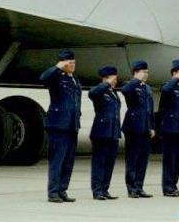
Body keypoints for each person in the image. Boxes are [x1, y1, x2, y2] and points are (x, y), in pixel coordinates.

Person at [40, 49, 82, 203]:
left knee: (68, 160)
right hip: (58, 124)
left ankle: (62, 190)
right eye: (69, 63)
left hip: (72, 124)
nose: (72, 65)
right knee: (57, 159)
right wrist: (57, 67)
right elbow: (43, 78)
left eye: (73, 63)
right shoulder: (56, 76)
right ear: (63, 63)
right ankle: (53, 192)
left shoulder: (74, 79)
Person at [122, 60, 155, 198]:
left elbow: (150, 110)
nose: (146, 74)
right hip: (133, 126)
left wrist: (152, 126)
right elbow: (125, 90)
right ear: (136, 72)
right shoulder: (131, 85)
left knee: (143, 158)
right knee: (133, 158)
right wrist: (137, 80)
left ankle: (139, 186)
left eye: (147, 72)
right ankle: (131, 187)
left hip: (145, 127)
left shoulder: (147, 88)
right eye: (143, 72)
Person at [88, 66, 121, 201]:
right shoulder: (100, 91)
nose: (115, 81)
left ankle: (105, 189)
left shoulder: (113, 93)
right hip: (101, 132)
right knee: (99, 162)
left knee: (109, 162)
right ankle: (97, 190)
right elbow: (92, 93)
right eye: (113, 78)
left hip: (112, 132)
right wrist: (106, 83)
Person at [159, 60, 179, 197]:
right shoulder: (168, 86)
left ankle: (173, 185)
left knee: (177, 160)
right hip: (170, 128)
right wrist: (175, 79)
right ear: (174, 73)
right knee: (169, 159)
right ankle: (167, 186)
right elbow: (165, 91)